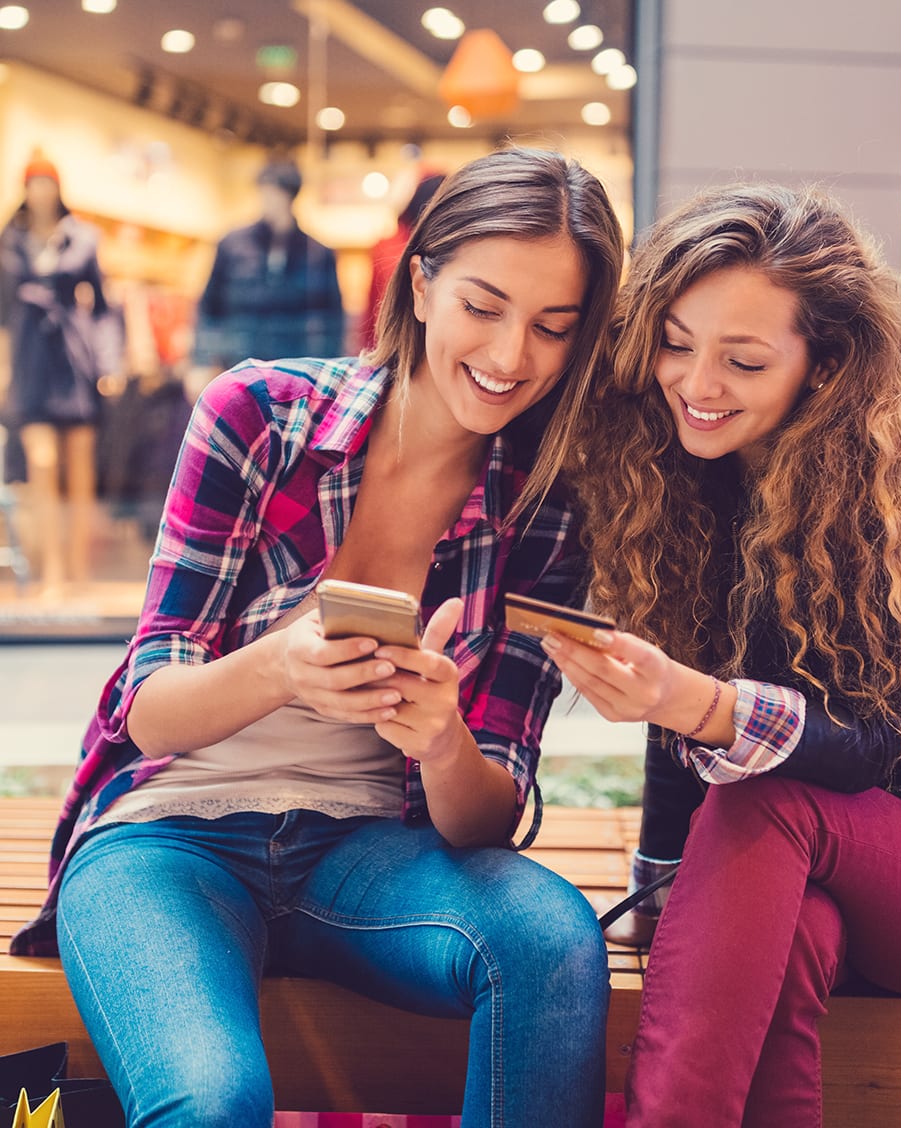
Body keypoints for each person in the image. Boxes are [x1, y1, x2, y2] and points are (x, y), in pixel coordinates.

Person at [11, 146, 625, 1128]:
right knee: (212, 1101)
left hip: (368, 853)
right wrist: (283, 667)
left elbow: (486, 823)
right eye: (485, 305)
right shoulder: (257, 417)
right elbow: (152, 712)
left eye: (553, 328)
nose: (513, 356)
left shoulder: (547, 512)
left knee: (550, 939)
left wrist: (441, 740)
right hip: (168, 840)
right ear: (419, 281)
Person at [545, 183, 901, 1126]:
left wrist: (699, 706)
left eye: (743, 359)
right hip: (807, 882)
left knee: (767, 791)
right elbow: (679, 728)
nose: (696, 383)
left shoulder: (895, 493)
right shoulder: (682, 487)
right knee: (787, 937)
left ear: (827, 364)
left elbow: (868, 750)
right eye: (676, 344)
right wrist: (660, 898)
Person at [0, 150, 121, 590]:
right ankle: (50, 570)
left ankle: (78, 571)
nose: (41, 191)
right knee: (42, 464)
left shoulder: (83, 238)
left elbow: (106, 308)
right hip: (30, 363)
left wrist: (109, 362)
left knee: (80, 468)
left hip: (75, 361)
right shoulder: (8, 241)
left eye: (47, 182)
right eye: (34, 183)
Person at [189, 157, 344, 395]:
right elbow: (210, 307)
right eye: (264, 192)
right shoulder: (232, 245)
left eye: (276, 192)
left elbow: (332, 318)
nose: (268, 200)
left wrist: (333, 372)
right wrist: (200, 361)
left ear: (290, 196)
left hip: (295, 372)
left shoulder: (317, 254)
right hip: (239, 365)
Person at [354, 168, 447, 352]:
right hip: (412, 346)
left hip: (390, 345)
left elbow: (372, 308)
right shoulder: (449, 249)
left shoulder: (386, 246)